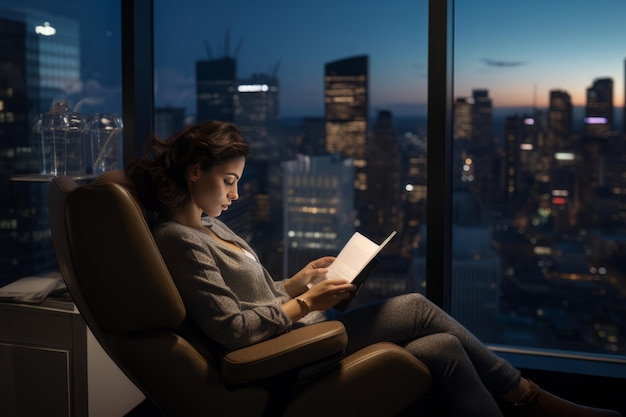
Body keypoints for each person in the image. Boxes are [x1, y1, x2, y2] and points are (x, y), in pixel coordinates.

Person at [122, 120, 621, 417]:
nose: (234, 195)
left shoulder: (213, 226)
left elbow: (249, 296)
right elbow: (232, 329)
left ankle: (523, 403)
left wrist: (297, 282)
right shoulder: (179, 239)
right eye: (228, 182)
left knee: (442, 347)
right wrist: (306, 303)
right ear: (194, 172)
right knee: (416, 308)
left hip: (297, 332)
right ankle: (531, 399)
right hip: (282, 360)